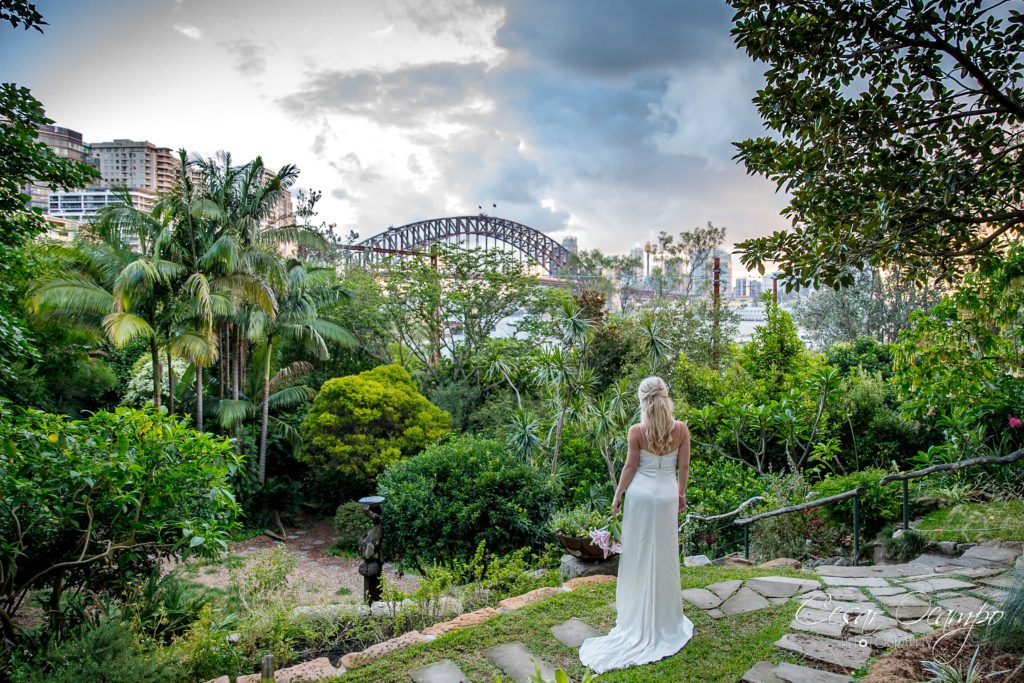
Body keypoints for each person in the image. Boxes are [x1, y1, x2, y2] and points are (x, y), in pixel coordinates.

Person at [578, 376, 694, 673]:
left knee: (639, 554)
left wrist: (617, 497)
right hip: (666, 495)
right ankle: (665, 619)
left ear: (643, 401)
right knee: (665, 555)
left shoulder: (637, 431)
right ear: (666, 398)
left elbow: (630, 467)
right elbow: (683, 467)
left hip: (641, 497)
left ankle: (636, 617)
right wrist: (681, 494)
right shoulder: (681, 430)